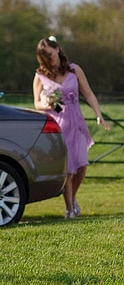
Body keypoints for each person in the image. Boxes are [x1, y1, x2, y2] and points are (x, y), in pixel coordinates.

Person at [33, 35, 110, 218]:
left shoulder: (74, 70)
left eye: (50, 55)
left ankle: (73, 198)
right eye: (44, 57)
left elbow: (89, 94)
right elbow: (36, 103)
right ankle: (69, 209)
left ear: (58, 49)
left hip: (76, 123)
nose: (49, 60)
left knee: (81, 166)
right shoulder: (40, 76)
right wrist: (48, 104)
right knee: (67, 169)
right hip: (57, 126)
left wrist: (98, 114)